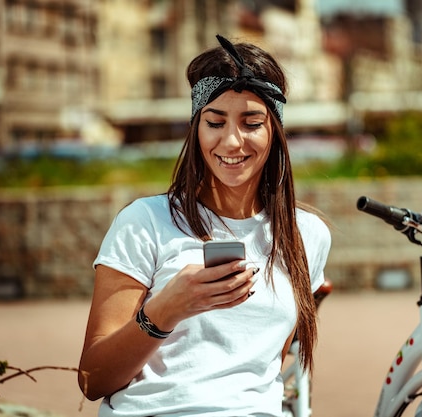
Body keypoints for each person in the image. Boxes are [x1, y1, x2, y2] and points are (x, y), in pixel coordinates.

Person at [78, 34, 331, 417]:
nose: (232, 141)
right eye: (215, 122)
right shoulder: (144, 222)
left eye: (252, 123)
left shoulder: (306, 235)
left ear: (274, 131)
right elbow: (92, 380)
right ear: (197, 128)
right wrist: (166, 309)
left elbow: (266, 365)